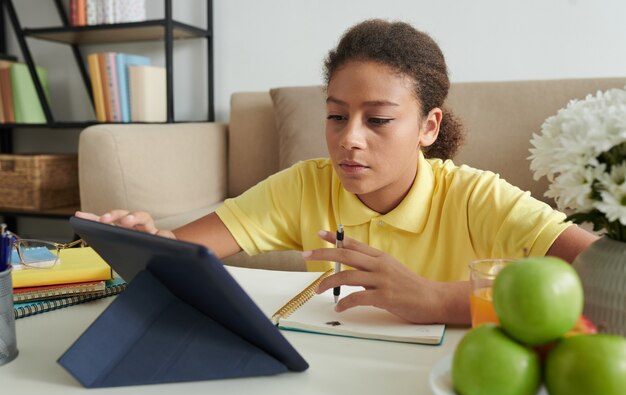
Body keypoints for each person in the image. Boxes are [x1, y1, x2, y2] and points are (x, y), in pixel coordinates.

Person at [76, 19, 597, 326]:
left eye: (378, 119)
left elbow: (603, 277)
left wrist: (437, 298)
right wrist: (146, 242)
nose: (349, 137)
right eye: (335, 115)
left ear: (428, 126)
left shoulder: (477, 197)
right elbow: (185, 252)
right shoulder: (306, 185)